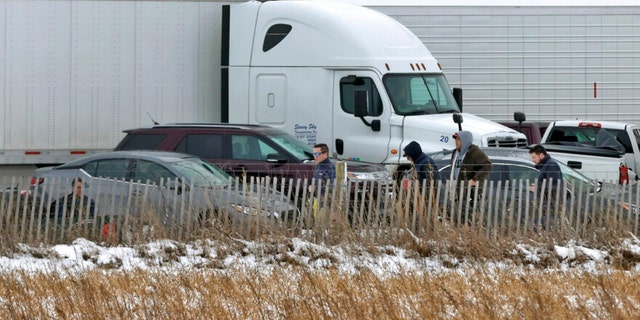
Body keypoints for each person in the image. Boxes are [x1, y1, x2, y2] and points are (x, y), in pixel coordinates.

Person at [449, 131, 492, 217]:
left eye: (458, 139)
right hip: (456, 190)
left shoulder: (474, 152)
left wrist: (475, 179)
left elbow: (487, 165)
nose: (456, 142)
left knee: (468, 217)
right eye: (456, 139)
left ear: (465, 140)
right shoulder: (455, 153)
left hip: (470, 193)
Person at [528, 144, 564, 229]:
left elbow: (553, 184)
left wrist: (538, 188)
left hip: (550, 202)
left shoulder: (551, 165)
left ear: (541, 155)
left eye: (534, 157)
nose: (533, 160)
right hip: (546, 202)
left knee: (546, 225)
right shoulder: (545, 165)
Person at [308, 143, 336, 213]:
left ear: (325, 153)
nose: (315, 157)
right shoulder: (319, 165)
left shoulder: (329, 167)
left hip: (325, 203)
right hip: (318, 199)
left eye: (317, 154)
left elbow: (332, 186)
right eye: (314, 154)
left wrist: (316, 187)